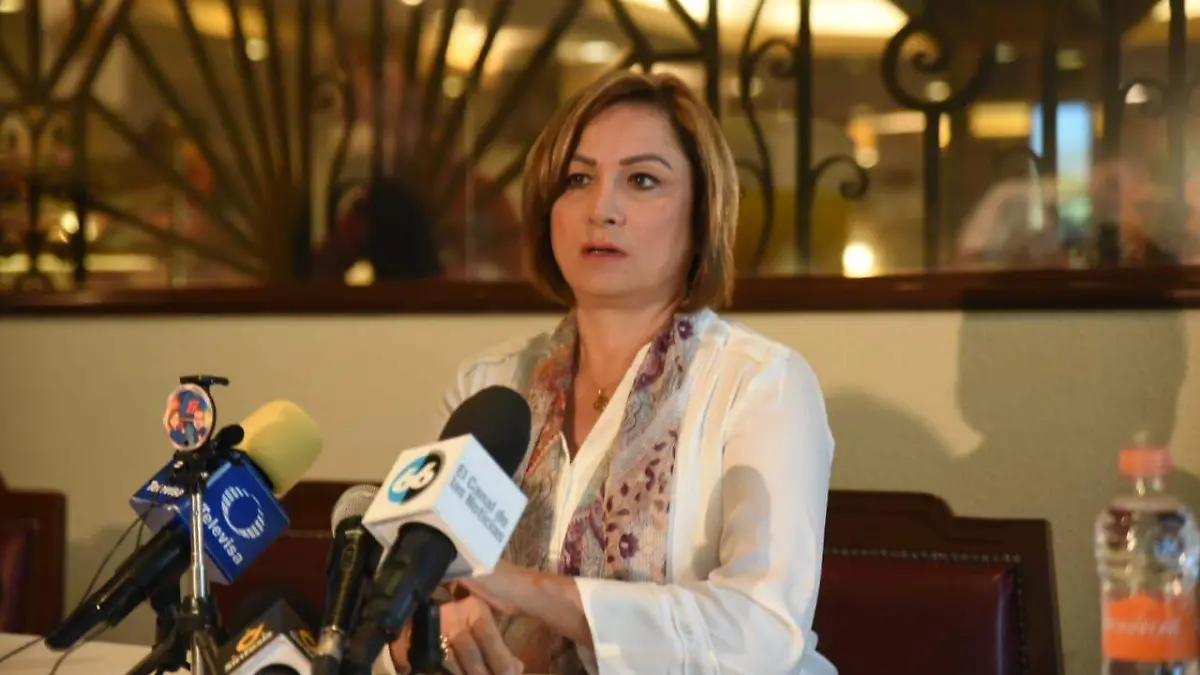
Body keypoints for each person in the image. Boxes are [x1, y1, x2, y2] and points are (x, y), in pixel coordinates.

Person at [380, 70, 837, 675]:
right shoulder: (488, 385)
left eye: (642, 180)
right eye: (578, 180)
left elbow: (763, 632)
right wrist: (419, 638)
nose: (602, 209)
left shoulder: (760, 385)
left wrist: (525, 588)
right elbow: (409, 596)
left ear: (703, 213)